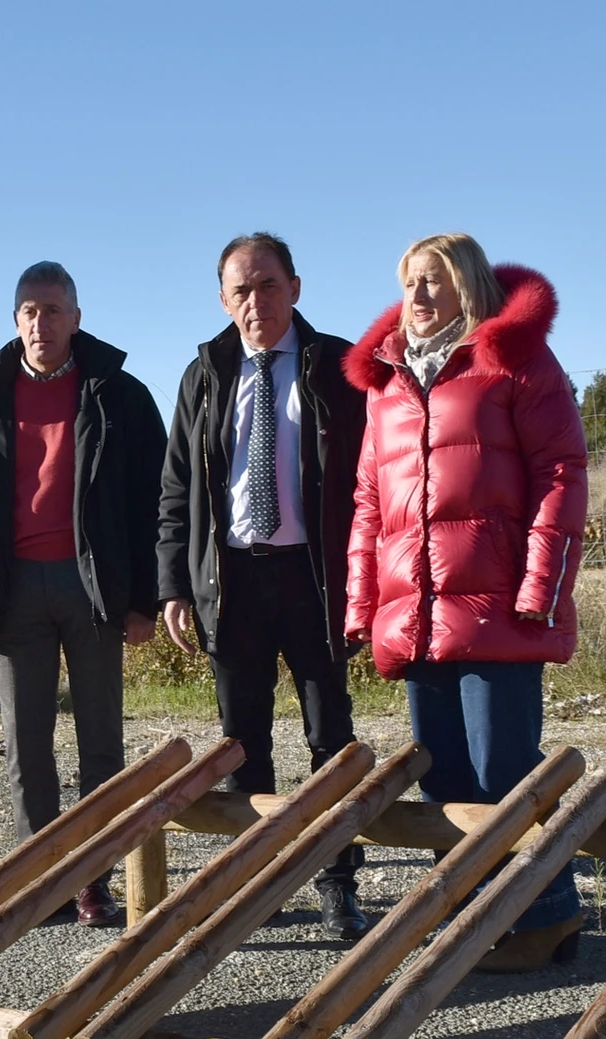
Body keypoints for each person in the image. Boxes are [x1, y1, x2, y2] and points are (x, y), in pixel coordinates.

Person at [343, 233, 588, 971]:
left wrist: (540, 588)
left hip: (497, 610)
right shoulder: (386, 382)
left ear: (469, 287)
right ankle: (480, 916)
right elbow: (368, 500)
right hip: (416, 615)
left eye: (433, 282)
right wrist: (364, 603)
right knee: (444, 776)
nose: (416, 297)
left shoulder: (514, 361)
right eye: (409, 282)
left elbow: (561, 473)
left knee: (504, 771)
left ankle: (546, 917)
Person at [0, 261, 166, 927]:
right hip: (12, 591)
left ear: (77, 318)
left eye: (54, 310)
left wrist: (145, 598)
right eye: (30, 311)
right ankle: (42, 883)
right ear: (16, 322)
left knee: (101, 744)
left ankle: (94, 880)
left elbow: (154, 501)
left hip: (92, 586)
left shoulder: (119, 395)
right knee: (25, 745)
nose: (43, 322)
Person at [158, 233, 372, 938]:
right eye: (241, 290)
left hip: (314, 576)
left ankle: (338, 882)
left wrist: (367, 583)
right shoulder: (206, 373)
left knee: (328, 735)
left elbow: (374, 480)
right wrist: (175, 586)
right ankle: (259, 882)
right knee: (241, 743)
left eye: (268, 285)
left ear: (297, 287)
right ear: (224, 299)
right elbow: (178, 490)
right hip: (234, 580)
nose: (256, 302)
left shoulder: (339, 367)